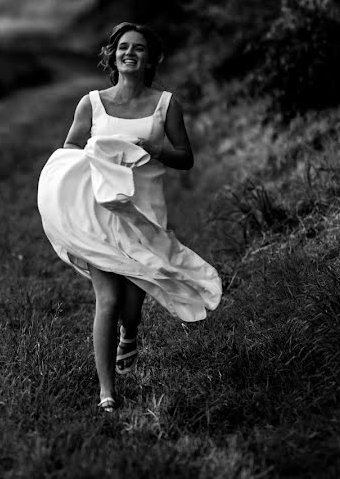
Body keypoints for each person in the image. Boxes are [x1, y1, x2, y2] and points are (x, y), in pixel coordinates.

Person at [37, 22, 222, 412]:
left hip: (144, 217)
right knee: (107, 299)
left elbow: (185, 158)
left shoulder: (165, 105)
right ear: (112, 55)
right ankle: (107, 393)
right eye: (123, 47)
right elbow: (70, 150)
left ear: (151, 58)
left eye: (138, 48)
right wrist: (90, 159)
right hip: (100, 214)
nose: (129, 53)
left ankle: (130, 331)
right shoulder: (92, 103)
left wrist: (157, 149)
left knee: (131, 306)